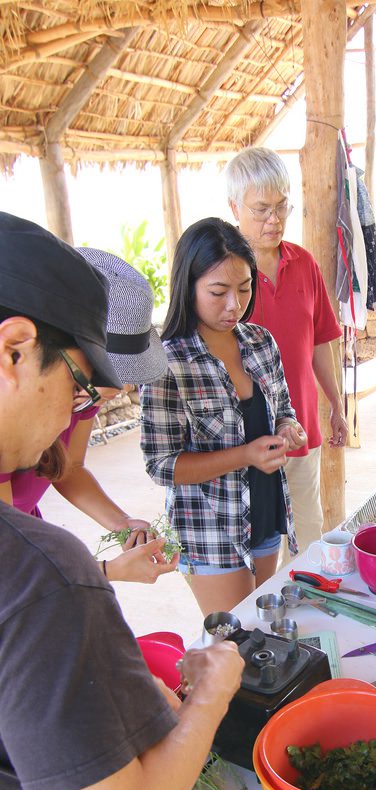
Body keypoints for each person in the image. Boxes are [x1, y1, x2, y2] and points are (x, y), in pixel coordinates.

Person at [0, 212, 244, 790]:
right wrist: (207, 698)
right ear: (13, 350)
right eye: (79, 381)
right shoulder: (40, 573)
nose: (85, 405)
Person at [141, 217, 306, 615]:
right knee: (234, 643)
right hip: (212, 530)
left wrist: (288, 427)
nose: (235, 304)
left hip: (267, 513)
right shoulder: (166, 363)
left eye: (245, 288)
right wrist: (245, 455)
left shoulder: (261, 342)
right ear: (189, 287)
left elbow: (283, 410)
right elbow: (162, 465)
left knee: (264, 628)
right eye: (218, 291)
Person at [0, 248, 177, 585]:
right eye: (82, 384)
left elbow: (69, 468)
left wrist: (121, 522)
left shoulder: (78, 392)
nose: (121, 388)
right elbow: (14, 576)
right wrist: (107, 572)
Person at [225, 146, 348, 561]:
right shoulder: (222, 276)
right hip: (247, 441)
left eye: (281, 207)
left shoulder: (304, 264)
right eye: (261, 209)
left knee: (307, 545)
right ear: (234, 207)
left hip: (302, 433)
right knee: (253, 551)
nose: (273, 220)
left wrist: (337, 403)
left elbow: (318, 342)